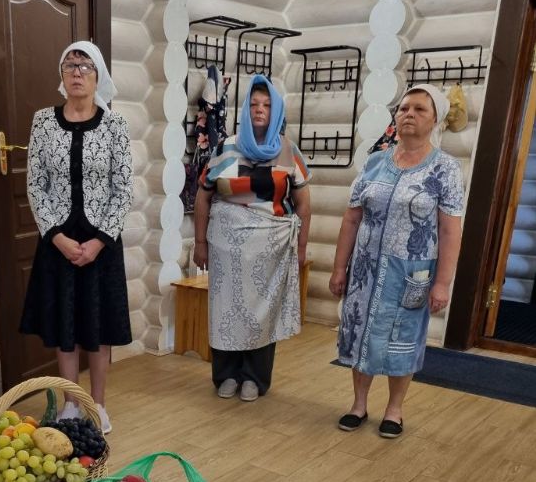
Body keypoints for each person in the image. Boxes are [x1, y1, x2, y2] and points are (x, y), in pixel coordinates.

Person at [329, 84, 464, 438]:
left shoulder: (446, 169)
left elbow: (450, 230)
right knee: (360, 334)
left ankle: (394, 410)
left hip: (410, 273)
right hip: (365, 271)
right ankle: (358, 404)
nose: (409, 115)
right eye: (404, 108)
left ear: (435, 119)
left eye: (420, 109)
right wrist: (339, 268)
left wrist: (442, 283)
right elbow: (351, 219)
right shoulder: (375, 162)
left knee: (402, 340)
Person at [20, 41, 133, 434]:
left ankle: (97, 405)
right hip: (58, 243)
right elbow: (36, 184)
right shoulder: (43, 122)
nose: (77, 73)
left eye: (85, 66)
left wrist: (99, 241)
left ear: (98, 76)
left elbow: (123, 188)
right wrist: (57, 236)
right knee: (65, 326)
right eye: (70, 65)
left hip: (102, 243)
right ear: (62, 74)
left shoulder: (116, 126)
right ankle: (70, 403)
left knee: (98, 327)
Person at [193, 75, 311, 402]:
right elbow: (203, 196)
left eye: (267, 105)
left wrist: (301, 248)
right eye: (254, 104)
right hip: (225, 245)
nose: (260, 110)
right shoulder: (225, 147)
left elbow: (303, 204)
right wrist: (200, 243)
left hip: (270, 248)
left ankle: (254, 377)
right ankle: (226, 375)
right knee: (225, 309)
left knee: (261, 312)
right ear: (246, 110)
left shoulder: (288, 151)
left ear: (276, 111)